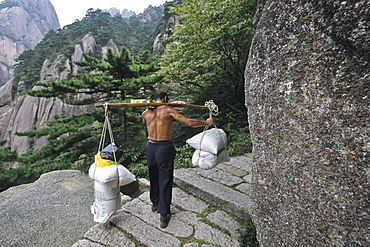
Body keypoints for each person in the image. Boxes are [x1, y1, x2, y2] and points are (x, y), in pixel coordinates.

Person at [142, 91, 214, 228]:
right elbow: (189, 123)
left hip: (150, 146)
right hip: (164, 147)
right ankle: (163, 213)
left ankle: (155, 202)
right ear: (164, 98)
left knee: (153, 175)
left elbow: (146, 128)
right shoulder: (169, 110)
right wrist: (206, 122)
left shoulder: (145, 113)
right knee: (165, 178)